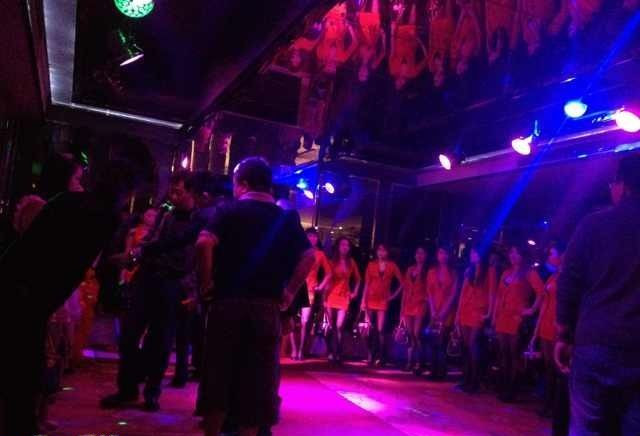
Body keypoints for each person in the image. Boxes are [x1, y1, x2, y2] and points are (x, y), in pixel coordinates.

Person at [0, 159, 139, 436]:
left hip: (19, 289)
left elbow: (25, 252)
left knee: (23, 373)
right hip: (29, 298)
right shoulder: (102, 216)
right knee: (24, 373)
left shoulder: (68, 203)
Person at [195, 157, 315, 436]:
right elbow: (309, 256)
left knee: (217, 375)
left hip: (226, 303)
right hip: (266, 307)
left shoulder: (228, 210)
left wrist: (205, 283)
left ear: (243, 184)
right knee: (257, 382)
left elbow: (203, 243)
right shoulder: (285, 218)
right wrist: (289, 291)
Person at [556, 153, 640, 436]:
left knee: (587, 428)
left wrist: (564, 334)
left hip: (595, 342)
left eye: (612, 184)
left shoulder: (593, 225)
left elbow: (569, 281)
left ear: (622, 185)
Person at [101, 171, 198, 412]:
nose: (173, 196)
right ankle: (128, 389)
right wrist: (135, 257)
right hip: (147, 277)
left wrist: (190, 288)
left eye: (178, 192)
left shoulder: (198, 220)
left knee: (161, 341)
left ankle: (151, 393)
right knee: (129, 334)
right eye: (172, 191)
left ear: (191, 193)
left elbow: (193, 257)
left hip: (171, 282)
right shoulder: (165, 213)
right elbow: (150, 240)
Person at [493, 243, 544, 402]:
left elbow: (542, 292)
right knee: (504, 354)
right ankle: (504, 387)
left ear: (523, 255)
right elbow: (499, 296)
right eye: (511, 252)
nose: (513, 255)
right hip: (503, 317)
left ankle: (512, 391)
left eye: (516, 252)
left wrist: (531, 310)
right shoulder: (506, 272)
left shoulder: (529, 272)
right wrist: (495, 315)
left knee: (514, 354)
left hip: (517, 318)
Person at [530, 242, 566, 421]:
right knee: (548, 368)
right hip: (545, 325)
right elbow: (544, 304)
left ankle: (555, 407)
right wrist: (535, 332)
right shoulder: (553, 276)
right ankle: (548, 404)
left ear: (562, 256)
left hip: (557, 327)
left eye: (553, 254)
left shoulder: (567, 277)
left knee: (556, 368)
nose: (550, 257)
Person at [455, 247, 496, 392]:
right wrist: (457, 314)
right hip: (466, 310)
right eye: (471, 252)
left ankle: (475, 380)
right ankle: (467, 378)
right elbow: (462, 293)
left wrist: (489, 313)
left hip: (478, 311)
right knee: (466, 346)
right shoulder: (469, 270)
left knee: (473, 345)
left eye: (475, 252)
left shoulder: (490, 271)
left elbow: (492, 293)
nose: (472, 255)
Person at [290, 228, 332, 361]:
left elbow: (329, 273)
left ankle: (301, 350)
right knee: (291, 319)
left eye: (314, 236)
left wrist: (320, 286)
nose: (312, 238)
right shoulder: (298, 251)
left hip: (309, 290)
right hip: (295, 288)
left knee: (305, 321)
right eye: (309, 236)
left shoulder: (320, 254)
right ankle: (294, 348)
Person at [361, 243, 403, 367]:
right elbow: (366, 284)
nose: (381, 252)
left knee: (380, 330)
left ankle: (381, 356)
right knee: (369, 328)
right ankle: (370, 355)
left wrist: (392, 296)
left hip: (382, 300)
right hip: (370, 299)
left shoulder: (392, 265)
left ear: (387, 252)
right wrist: (363, 300)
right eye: (379, 250)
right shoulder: (371, 265)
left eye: (384, 250)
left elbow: (402, 282)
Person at [325, 237, 362, 363]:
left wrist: (355, 292)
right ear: (338, 246)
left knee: (339, 326)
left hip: (344, 296)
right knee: (331, 326)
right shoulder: (332, 261)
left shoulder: (351, 262)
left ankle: (338, 352)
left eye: (347, 245)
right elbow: (327, 280)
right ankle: (331, 352)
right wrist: (324, 298)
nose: (345, 247)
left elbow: (358, 279)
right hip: (331, 295)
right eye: (342, 244)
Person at [426, 245, 458, 380]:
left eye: (445, 253)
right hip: (434, 311)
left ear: (449, 256)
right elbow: (429, 291)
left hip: (447, 312)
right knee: (433, 342)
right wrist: (433, 310)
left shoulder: (453, 273)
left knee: (442, 343)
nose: (442, 255)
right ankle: (433, 371)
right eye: (440, 253)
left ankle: (442, 371)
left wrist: (444, 311)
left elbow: (453, 294)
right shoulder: (431, 272)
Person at [400, 246, 429, 373]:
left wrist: (426, 303)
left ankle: (420, 362)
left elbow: (429, 290)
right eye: (417, 253)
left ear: (426, 256)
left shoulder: (428, 271)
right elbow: (405, 289)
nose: (419, 255)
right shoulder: (410, 269)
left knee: (417, 334)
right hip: (408, 305)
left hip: (420, 304)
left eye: (422, 253)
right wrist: (402, 309)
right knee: (410, 334)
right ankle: (410, 362)